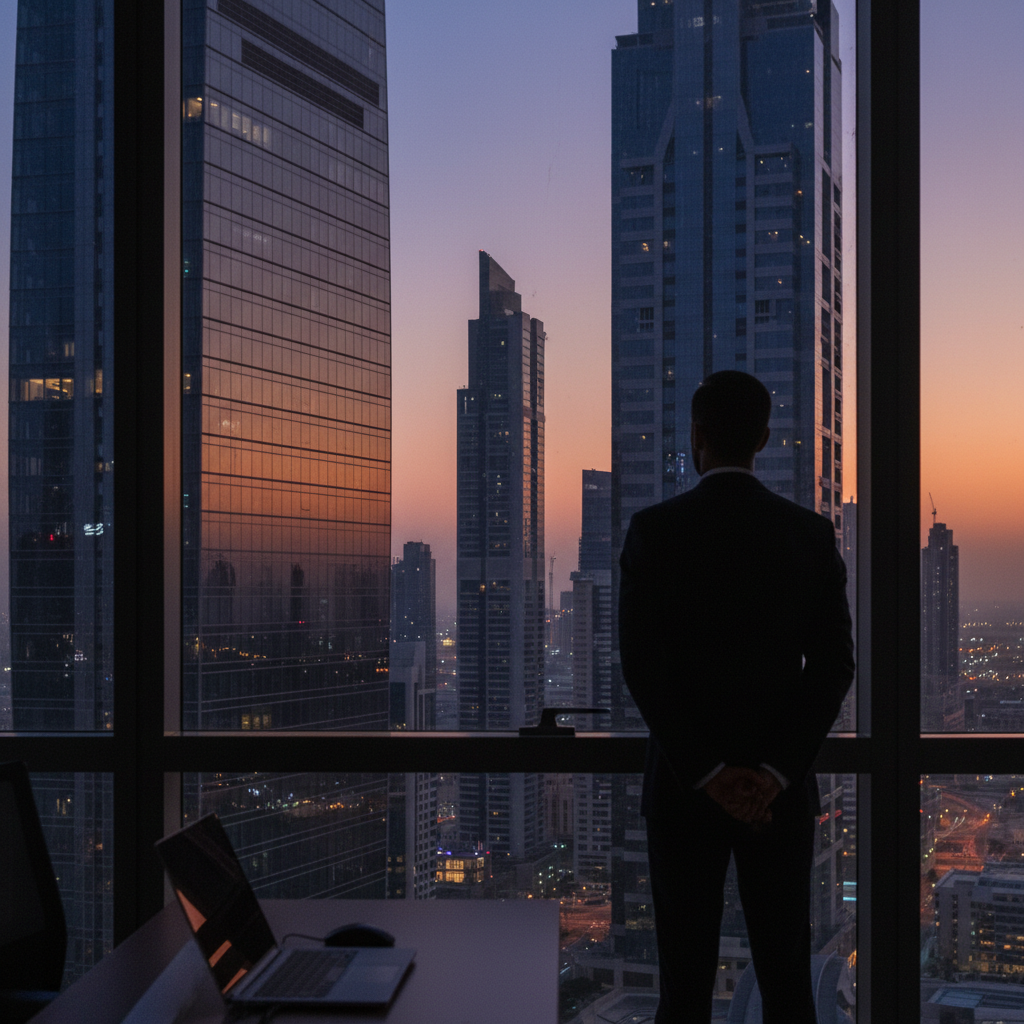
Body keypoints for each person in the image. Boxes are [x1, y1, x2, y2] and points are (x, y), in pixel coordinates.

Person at [618, 370, 855, 1024]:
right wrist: (774, 771)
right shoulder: (807, 535)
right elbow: (834, 664)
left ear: (697, 437)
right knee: (786, 983)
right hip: (776, 800)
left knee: (683, 989)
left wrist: (708, 773)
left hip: (681, 791)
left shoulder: (654, 532)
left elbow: (641, 667)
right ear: (764, 438)